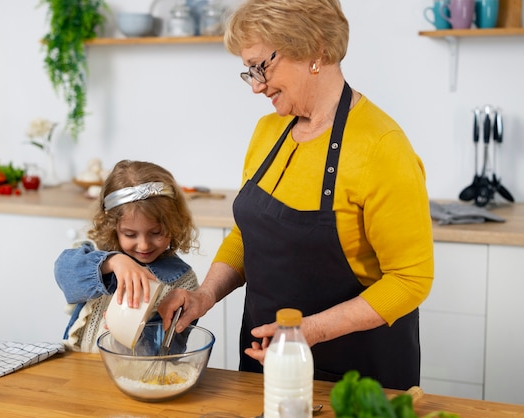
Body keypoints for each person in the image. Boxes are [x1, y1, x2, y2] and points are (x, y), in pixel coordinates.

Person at [157, 0, 433, 390]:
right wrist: (204, 295)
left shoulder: (382, 147)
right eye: (248, 71)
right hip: (264, 361)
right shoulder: (269, 131)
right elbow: (249, 235)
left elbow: (410, 279)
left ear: (315, 50)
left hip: (354, 375)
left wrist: (309, 331)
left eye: (261, 66)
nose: (255, 85)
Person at [54, 160, 199, 353]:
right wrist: (112, 262)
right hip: (81, 362)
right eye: (130, 234)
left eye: (156, 232)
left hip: (135, 372)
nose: (144, 245)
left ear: (174, 224)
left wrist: (135, 330)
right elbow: (64, 271)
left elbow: (170, 349)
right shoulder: (97, 252)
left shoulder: (182, 281)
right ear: (113, 226)